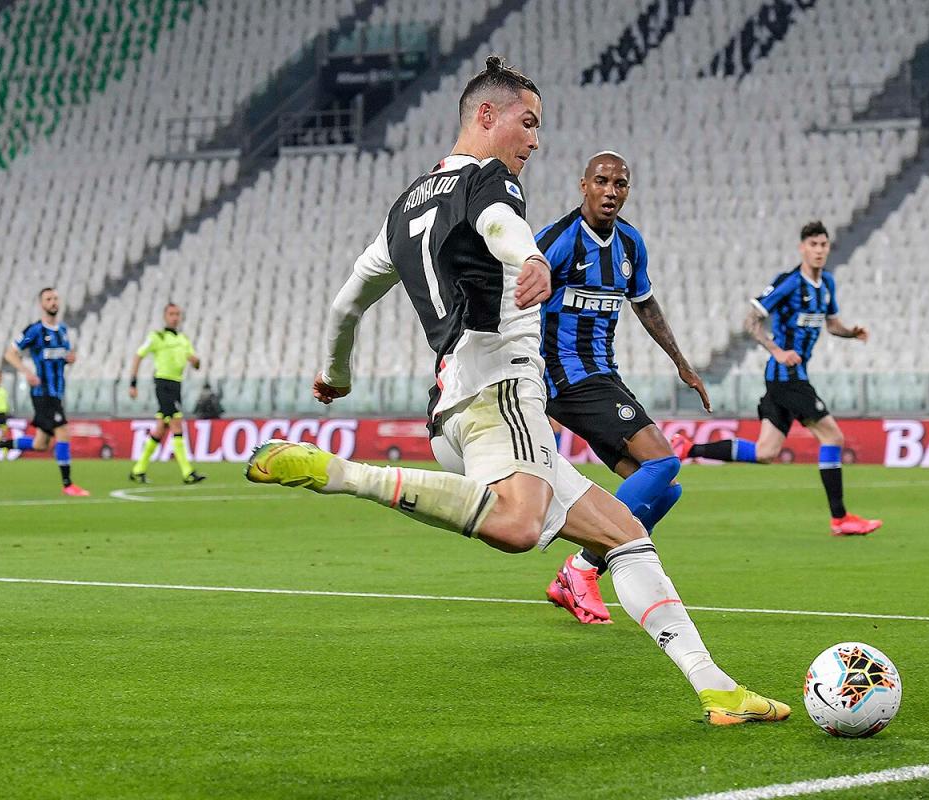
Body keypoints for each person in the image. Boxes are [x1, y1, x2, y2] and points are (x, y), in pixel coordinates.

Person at [243, 56, 788, 725]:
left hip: (454, 410)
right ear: (485, 115)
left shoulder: (404, 207)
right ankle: (342, 475)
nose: (535, 140)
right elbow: (502, 225)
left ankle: (715, 686)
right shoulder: (491, 181)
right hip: (502, 391)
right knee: (519, 524)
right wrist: (529, 256)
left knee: (624, 535)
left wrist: (337, 374)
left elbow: (345, 304)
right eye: (528, 123)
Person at [536, 151, 709, 625]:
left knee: (663, 488)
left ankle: (579, 570)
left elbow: (646, 307)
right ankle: (580, 569)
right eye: (602, 181)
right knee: (665, 459)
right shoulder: (555, 242)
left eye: (620, 184)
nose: (611, 191)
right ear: (583, 185)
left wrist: (682, 364)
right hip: (565, 378)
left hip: (602, 376)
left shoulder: (630, 245)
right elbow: (513, 303)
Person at [671, 221, 881, 536]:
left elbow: (832, 324)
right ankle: (840, 518)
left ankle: (688, 449)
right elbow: (751, 319)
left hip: (790, 377)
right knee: (833, 437)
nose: (820, 250)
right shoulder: (789, 283)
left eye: (824, 245)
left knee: (765, 452)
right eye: (814, 245)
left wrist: (852, 333)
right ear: (803, 248)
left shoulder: (827, 286)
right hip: (787, 377)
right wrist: (777, 350)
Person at [0, 287, 89, 496]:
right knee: (63, 431)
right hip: (43, 393)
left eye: (56, 298)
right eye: (49, 299)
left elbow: (59, 357)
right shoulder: (35, 330)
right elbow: (10, 353)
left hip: (56, 392)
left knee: (40, 444)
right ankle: (68, 485)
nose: (53, 302)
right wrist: (26, 371)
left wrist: (68, 360)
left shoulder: (63, 330)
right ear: (42, 304)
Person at [126, 303, 206, 484]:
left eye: (177, 314)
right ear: (165, 316)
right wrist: (133, 383)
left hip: (177, 385)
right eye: (171, 314)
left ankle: (138, 470)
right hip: (163, 384)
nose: (175, 317)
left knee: (161, 428)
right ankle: (187, 472)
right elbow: (138, 355)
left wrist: (195, 361)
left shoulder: (184, 339)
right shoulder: (157, 337)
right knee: (177, 424)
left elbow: (196, 364)